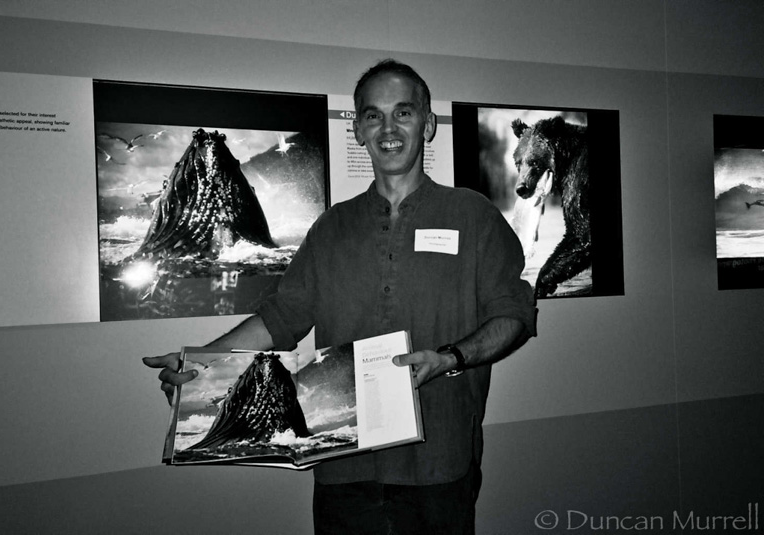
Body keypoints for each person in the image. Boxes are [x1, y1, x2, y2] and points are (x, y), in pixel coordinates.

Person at [144, 59, 537, 534]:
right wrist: (202, 361)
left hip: (440, 463)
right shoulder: (331, 227)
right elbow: (282, 317)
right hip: (344, 467)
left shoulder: (473, 215)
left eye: (404, 113)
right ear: (358, 130)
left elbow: (513, 315)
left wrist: (450, 358)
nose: (388, 128)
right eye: (373, 115)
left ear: (428, 124)